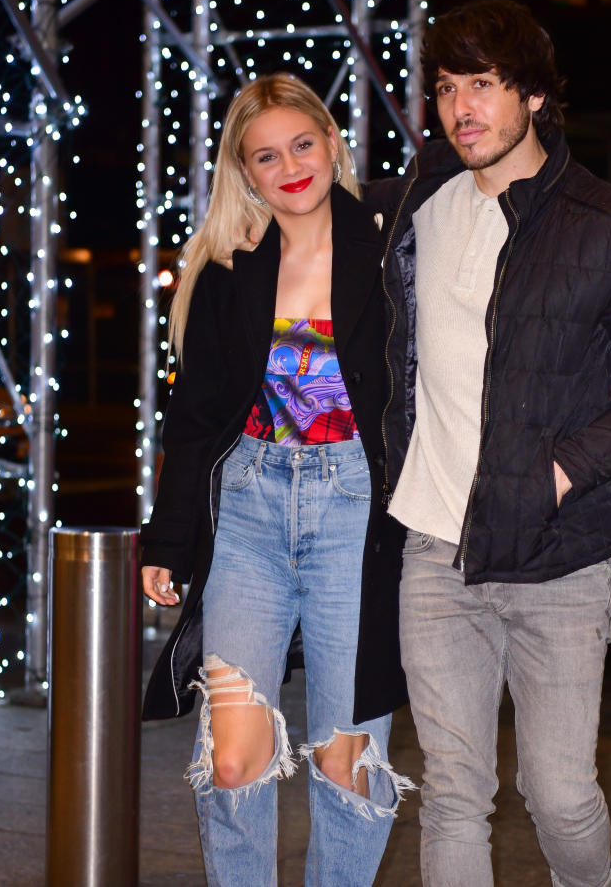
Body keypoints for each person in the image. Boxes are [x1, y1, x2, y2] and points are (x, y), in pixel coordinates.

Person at [371, 0, 611, 886]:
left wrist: (564, 470)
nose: (461, 108)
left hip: (561, 558)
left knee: (558, 795)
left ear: (534, 97)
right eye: (447, 87)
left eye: (483, 84)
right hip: (436, 551)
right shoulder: (422, 205)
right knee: (452, 792)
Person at [139, 73, 411, 887]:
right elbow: (196, 419)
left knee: (346, 763)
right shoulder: (229, 267)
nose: (290, 166)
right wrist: (169, 537)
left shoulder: (392, 245)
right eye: (266, 156)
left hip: (357, 513)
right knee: (231, 763)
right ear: (245, 173)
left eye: (302, 143)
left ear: (332, 143)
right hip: (249, 513)